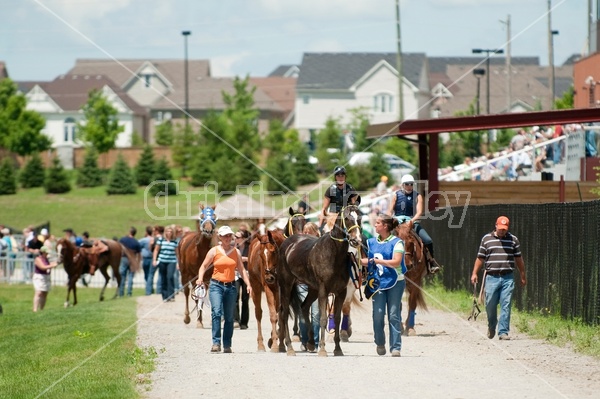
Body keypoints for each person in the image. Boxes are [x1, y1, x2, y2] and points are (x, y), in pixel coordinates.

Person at [196, 225, 252, 353]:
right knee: (216, 313)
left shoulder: (236, 252)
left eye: (229, 236)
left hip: (231, 286)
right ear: (219, 237)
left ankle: (227, 344)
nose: (228, 238)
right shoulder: (214, 251)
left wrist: (248, 284)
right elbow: (203, 266)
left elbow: (242, 270)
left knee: (229, 317)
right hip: (216, 285)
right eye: (225, 236)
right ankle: (216, 343)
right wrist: (200, 278)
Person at [470, 216, 527, 341]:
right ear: (495, 225)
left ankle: (503, 332)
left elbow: (518, 259)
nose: (502, 231)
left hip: (507, 277)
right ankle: (491, 325)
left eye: (504, 229)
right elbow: (480, 258)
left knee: (506, 304)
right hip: (491, 277)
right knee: (490, 304)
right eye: (500, 229)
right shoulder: (486, 239)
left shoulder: (513, 240)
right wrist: (475, 273)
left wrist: (522, 274)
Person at [361, 214, 406, 357]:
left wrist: (377, 261)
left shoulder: (397, 243)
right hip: (377, 283)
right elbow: (364, 260)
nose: (375, 225)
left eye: (378, 223)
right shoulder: (370, 242)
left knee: (394, 314)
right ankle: (380, 342)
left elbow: (397, 262)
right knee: (378, 315)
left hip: (396, 282)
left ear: (385, 226)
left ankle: (395, 347)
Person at [388, 174, 440, 274]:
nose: (409, 186)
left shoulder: (418, 195)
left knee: (428, 240)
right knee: (385, 238)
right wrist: (391, 218)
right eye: (407, 184)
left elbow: (419, 212)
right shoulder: (395, 195)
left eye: (411, 184)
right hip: (397, 222)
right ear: (403, 185)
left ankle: (431, 263)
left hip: (412, 221)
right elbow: (390, 210)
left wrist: (411, 221)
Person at [297, 222, 322, 352]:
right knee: (303, 314)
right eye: (304, 232)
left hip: (317, 287)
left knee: (316, 315)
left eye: (309, 231)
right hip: (302, 285)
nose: (306, 234)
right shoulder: (299, 248)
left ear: (316, 233)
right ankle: (304, 340)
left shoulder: (321, 247)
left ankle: (315, 342)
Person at [153, 226, 178, 302]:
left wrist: (178, 263)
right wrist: (154, 260)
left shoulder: (174, 241)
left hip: (172, 261)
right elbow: (156, 250)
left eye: (170, 231)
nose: (169, 233)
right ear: (165, 232)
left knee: (170, 277)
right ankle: (165, 296)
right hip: (162, 260)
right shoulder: (161, 240)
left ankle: (171, 295)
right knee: (163, 278)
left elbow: (177, 253)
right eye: (167, 231)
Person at [234, 229, 251, 330]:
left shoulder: (250, 248)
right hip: (235, 274)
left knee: (245, 298)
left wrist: (244, 259)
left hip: (246, 274)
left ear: (244, 239)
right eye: (235, 237)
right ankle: (236, 320)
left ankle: (244, 322)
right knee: (234, 296)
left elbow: (252, 258)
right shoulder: (233, 247)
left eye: (237, 237)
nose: (235, 239)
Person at [33, 246, 58, 312]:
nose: (47, 254)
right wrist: (52, 265)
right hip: (39, 277)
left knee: (45, 293)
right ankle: (35, 309)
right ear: (43, 252)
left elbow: (48, 266)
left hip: (46, 277)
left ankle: (41, 309)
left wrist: (54, 264)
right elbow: (43, 267)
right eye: (46, 253)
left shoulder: (46, 259)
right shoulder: (38, 259)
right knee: (39, 292)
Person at [118, 227, 141, 297]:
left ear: (129, 232)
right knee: (131, 276)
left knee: (122, 276)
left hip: (124, 258)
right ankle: (129, 293)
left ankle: (121, 293)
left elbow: (118, 248)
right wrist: (138, 262)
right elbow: (139, 254)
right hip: (133, 259)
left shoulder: (123, 239)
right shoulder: (136, 242)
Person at [138, 226, 154, 295]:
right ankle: (150, 288)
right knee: (151, 274)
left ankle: (148, 290)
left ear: (146, 232)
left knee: (146, 274)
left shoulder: (143, 240)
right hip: (152, 258)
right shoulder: (154, 239)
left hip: (145, 258)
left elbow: (137, 245)